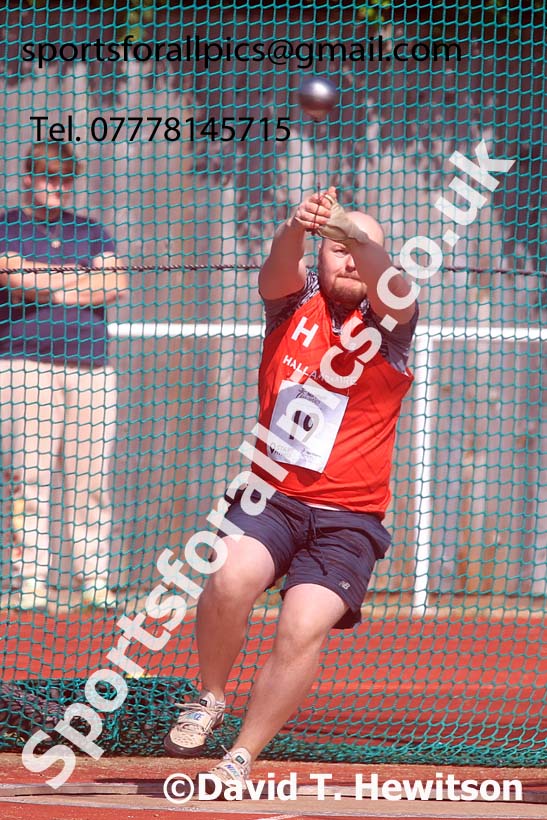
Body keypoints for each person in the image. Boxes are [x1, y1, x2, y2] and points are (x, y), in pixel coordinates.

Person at [163, 187, 418, 793]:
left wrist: (351, 231)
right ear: (320, 257)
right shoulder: (291, 307)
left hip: (348, 518)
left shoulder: (391, 323)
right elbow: (278, 269)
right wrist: (295, 227)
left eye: (363, 249)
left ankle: (243, 756)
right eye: (337, 249)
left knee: (300, 628)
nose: (350, 259)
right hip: (272, 497)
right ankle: (210, 697)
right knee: (229, 579)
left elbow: (396, 289)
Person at [0, 142, 128, 609]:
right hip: (24, 368)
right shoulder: (7, 225)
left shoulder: (91, 231)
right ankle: (31, 582)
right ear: (28, 178)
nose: (55, 187)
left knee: (90, 480)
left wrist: (47, 282)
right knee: (29, 478)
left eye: (64, 178)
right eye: (46, 176)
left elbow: (115, 284)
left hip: (92, 370)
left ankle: (93, 581)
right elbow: (12, 276)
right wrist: (76, 280)